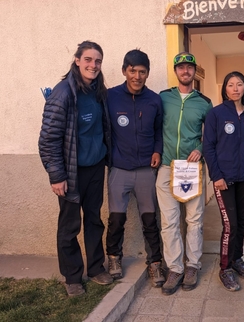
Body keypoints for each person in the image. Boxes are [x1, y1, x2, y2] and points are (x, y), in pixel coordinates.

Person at [38, 41, 113, 297]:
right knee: (70, 226)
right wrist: (56, 175)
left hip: (94, 168)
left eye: (98, 61)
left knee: (94, 220)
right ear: (77, 60)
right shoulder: (63, 93)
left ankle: (95, 268)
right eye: (89, 59)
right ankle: (72, 277)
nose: (93, 65)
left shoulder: (97, 90)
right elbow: (48, 139)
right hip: (70, 173)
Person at [105, 49, 165, 287]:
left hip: (145, 170)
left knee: (150, 219)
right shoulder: (109, 97)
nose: (137, 76)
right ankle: (113, 258)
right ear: (124, 71)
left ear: (147, 74)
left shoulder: (154, 100)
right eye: (133, 71)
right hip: (119, 168)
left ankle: (155, 263)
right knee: (116, 219)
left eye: (142, 72)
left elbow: (159, 130)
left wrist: (157, 150)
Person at [157, 52, 212, 295]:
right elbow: (152, 129)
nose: (185, 71)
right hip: (167, 167)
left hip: (191, 169)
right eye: (181, 68)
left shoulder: (204, 102)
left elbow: (211, 136)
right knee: (169, 223)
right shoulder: (162, 99)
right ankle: (175, 268)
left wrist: (200, 149)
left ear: (194, 72)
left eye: (190, 67)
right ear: (175, 71)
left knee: (194, 221)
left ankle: (192, 266)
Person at [203, 71, 244, 291]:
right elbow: (208, 146)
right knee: (230, 225)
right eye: (231, 85)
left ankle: (237, 259)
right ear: (225, 89)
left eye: (239, 84)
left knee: (242, 222)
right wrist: (216, 176)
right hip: (224, 180)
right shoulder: (216, 114)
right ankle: (225, 268)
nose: (235, 88)